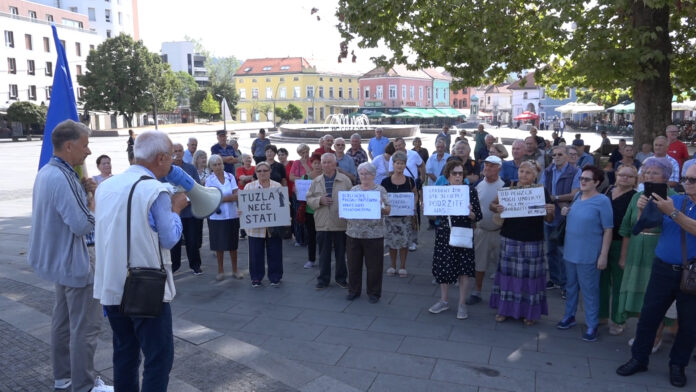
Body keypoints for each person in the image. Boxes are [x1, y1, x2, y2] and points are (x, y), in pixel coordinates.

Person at [94, 130, 187, 392]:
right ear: (160, 158)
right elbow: (169, 239)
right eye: (171, 156)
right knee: (159, 357)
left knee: (125, 353)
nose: (172, 162)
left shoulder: (106, 185)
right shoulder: (156, 190)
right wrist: (177, 209)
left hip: (110, 285)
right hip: (144, 286)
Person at [28, 120, 110, 392]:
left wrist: (84, 191)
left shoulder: (47, 172)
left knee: (62, 324)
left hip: (60, 263)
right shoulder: (63, 177)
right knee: (85, 329)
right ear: (69, 145)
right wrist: (93, 198)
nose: (88, 152)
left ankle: (64, 378)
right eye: (85, 145)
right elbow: (82, 224)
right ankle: (85, 385)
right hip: (77, 264)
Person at [615, 165, 696, 388]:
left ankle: (677, 365)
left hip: (692, 274)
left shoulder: (673, 205)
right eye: (687, 178)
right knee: (648, 317)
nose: (687, 182)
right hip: (662, 269)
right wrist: (642, 209)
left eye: (693, 179)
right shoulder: (677, 200)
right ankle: (639, 358)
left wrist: (672, 212)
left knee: (689, 325)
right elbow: (642, 227)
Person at [616, 158, 676, 344]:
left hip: (657, 252)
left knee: (656, 299)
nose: (649, 176)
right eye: (647, 172)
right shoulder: (636, 197)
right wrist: (624, 256)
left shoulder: (673, 197)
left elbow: (670, 227)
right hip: (636, 251)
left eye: (655, 173)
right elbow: (627, 228)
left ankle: (655, 337)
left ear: (665, 177)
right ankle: (645, 335)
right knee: (641, 296)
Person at [490, 161, 554, 325]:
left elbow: (548, 219)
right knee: (508, 276)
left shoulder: (541, 191)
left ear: (534, 176)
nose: (523, 175)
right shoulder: (509, 186)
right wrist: (497, 208)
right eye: (521, 171)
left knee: (529, 278)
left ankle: (529, 313)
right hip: (510, 237)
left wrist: (550, 211)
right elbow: (492, 204)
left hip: (533, 239)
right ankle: (504, 310)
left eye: (528, 172)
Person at [557, 165, 613, 342]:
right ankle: (569, 316)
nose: (582, 181)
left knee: (589, 290)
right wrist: (566, 212)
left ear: (596, 182)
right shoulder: (577, 196)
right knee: (570, 287)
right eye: (581, 178)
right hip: (570, 251)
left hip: (589, 254)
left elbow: (608, 229)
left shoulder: (603, 201)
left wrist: (603, 255)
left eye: (587, 179)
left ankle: (592, 324)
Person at [427, 160, 483, 320]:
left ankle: (462, 304)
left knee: (464, 270)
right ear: (448, 175)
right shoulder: (441, 191)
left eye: (460, 173)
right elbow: (432, 216)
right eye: (455, 173)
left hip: (463, 233)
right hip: (444, 234)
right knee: (443, 268)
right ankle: (444, 300)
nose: (458, 176)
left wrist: (470, 213)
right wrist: (428, 208)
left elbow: (478, 216)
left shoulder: (470, 191)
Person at [599, 165, 637, 334]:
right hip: (601, 242)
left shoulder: (635, 197)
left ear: (635, 180)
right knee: (601, 282)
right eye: (622, 175)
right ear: (616, 175)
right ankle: (601, 315)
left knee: (620, 284)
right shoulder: (607, 190)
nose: (625, 178)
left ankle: (618, 319)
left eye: (630, 176)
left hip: (622, 243)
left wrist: (624, 255)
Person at [306, 153, 353, 289]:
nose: (326, 165)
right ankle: (323, 279)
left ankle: (341, 278)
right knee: (324, 254)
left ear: (335, 164)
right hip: (323, 223)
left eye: (329, 162)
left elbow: (351, 199)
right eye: (324, 162)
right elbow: (309, 199)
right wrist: (319, 200)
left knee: (341, 253)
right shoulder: (316, 181)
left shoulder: (345, 180)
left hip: (340, 222)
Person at [346, 162, 391, 303]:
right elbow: (347, 208)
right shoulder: (354, 190)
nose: (364, 176)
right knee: (353, 265)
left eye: (367, 173)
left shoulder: (380, 190)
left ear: (373, 175)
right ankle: (354, 290)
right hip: (354, 233)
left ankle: (374, 293)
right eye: (361, 173)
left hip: (374, 234)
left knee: (374, 266)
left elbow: (388, 210)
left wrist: (380, 206)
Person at [541, 146, 581, 296]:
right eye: (554, 155)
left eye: (560, 154)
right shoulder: (547, 171)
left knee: (564, 252)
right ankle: (555, 279)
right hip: (549, 216)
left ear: (567, 156)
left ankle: (566, 285)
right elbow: (542, 190)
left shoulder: (576, 172)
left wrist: (554, 198)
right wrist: (551, 199)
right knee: (550, 251)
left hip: (565, 218)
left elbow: (574, 195)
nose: (556, 157)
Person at [468, 155, 505, 305]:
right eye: (486, 165)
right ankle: (477, 291)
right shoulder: (477, 185)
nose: (487, 168)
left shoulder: (504, 186)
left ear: (499, 168)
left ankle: (501, 294)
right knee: (479, 264)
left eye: (491, 165)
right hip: (481, 230)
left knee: (501, 265)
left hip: (500, 231)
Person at [244, 161, 284, 287]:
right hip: (255, 227)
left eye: (265, 170)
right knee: (255, 253)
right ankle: (256, 277)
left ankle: (275, 277)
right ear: (256, 173)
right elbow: (244, 206)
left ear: (270, 172)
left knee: (275, 252)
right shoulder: (249, 187)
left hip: (274, 226)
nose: (262, 173)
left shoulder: (277, 186)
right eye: (259, 171)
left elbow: (284, 205)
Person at [206, 154, 243, 281]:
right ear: (210, 167)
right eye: (215, 165)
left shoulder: (230, 176)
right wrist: (227, 198)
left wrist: (220, 198)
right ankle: (220, 270)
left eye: (220, 164)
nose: (218, 167)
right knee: (218, 245)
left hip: (232, 214)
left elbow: (236, 195)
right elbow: (211, 198)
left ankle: (235, 269)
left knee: (233, 244)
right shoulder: (209, 180)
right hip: (217, 216)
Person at [169, 143, 203, 275]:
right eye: (175, 151)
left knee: (192, 240)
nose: (177, 153)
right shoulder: (166, 170)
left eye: (180, 151)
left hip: (189, 211)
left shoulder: (190, 168)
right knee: (174, 241)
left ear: (184, 152)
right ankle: (174, 266)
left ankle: (195, 265)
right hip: (173, 212)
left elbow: (197, 186)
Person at [382, 151, 417, 277]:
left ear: (405, 165)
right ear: (393, 164)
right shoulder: (385, 181)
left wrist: (413, 205)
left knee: (404, 242)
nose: (400, 166)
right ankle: (392, 265)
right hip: (390, 217)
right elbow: (382, 197)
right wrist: (383, 207)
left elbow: (415, 193)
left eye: (402, 163)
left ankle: (402, 266)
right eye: (397, 163)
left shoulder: (410, 181)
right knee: (391, 243)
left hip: (404, 218)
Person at [389, 137, 425, 251]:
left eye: (400, 145)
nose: (398, 147)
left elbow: (422, 165)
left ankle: (413, 241)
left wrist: (422, 178)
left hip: (411, 185)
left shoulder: (413, 154)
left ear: (404, 144)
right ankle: (400, 238)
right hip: (398, 186)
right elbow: (390, 172)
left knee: (414, 214)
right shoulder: (392, 157)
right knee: (400, 213)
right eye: (396, 146)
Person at [301, 154, 323, 268]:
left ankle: (323, 258)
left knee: (323, 237)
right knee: (311, 236)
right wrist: (297, 190)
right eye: (315, 163)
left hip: (323, 211)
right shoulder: (306, 177)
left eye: (320, 163)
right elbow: (301, 193)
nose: (318, 165)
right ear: (312, 164)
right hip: (310, 211)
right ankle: (311, 259)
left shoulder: (326, 177)